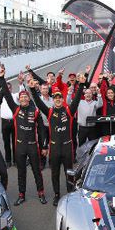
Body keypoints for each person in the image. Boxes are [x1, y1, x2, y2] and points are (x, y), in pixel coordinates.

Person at [30, 74, 83, 206]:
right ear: (53, 100)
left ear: (62, 99)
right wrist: (32, 90)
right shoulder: (49, 111)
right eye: (56, 98)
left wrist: (81, 84)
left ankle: (70, 194)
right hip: (54, 148)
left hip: (67, 147)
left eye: (60, 98)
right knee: (55, 173)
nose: (58, 99)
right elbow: (38, 102)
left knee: (69, 172)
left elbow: (76, 100)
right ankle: (57, 195)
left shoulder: (69, 111)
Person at [1, 85, 47, 205]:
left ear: (29, 98)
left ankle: (41, 193)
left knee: (37, 171)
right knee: (21, 172)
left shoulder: (35, 111)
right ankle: (21, 195)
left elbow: (41, 130)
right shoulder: (15, 109)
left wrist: (44, 146)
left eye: (25, 97)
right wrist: (1, 79)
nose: (23, 99)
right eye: (21, 97)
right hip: (20, 146)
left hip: (32, 146)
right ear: (19, 99)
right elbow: (7, 95)